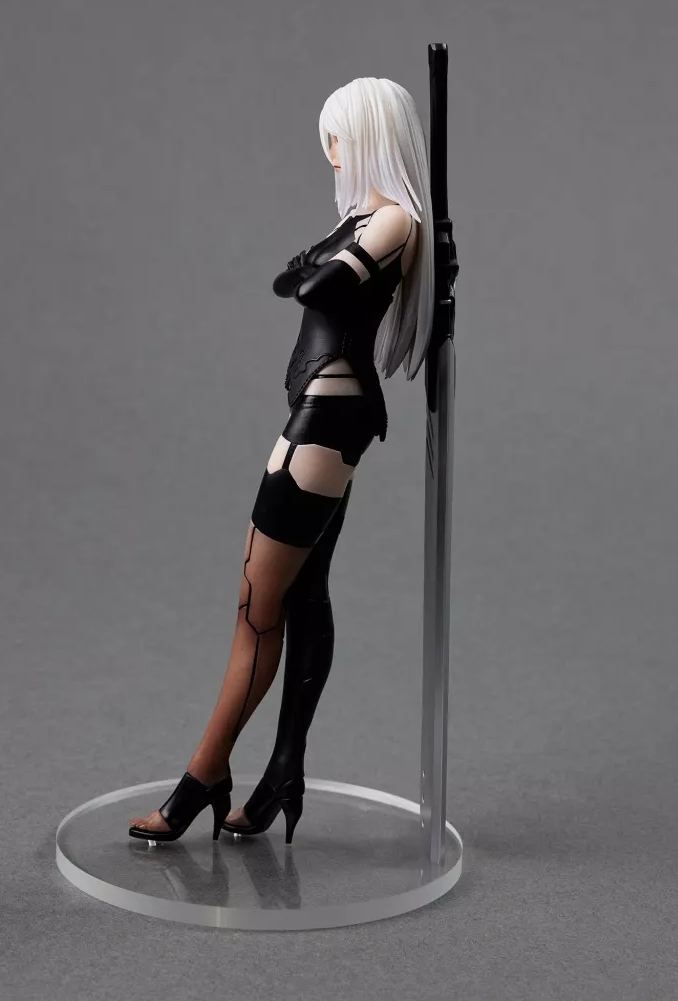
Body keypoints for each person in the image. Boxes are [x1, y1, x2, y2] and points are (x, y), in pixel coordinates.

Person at [128, 76, 435, 843]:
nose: (330, 153)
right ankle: (281, 773)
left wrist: (315, 265)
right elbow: (289, 279)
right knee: (300, 595)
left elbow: (312, 283)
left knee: (256, 612)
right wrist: (313, 265)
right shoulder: (364, 220)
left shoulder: (394, 219)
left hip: (327, 419)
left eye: (337, 138)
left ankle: (202, 777)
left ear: (367, 137)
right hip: (322, 413)